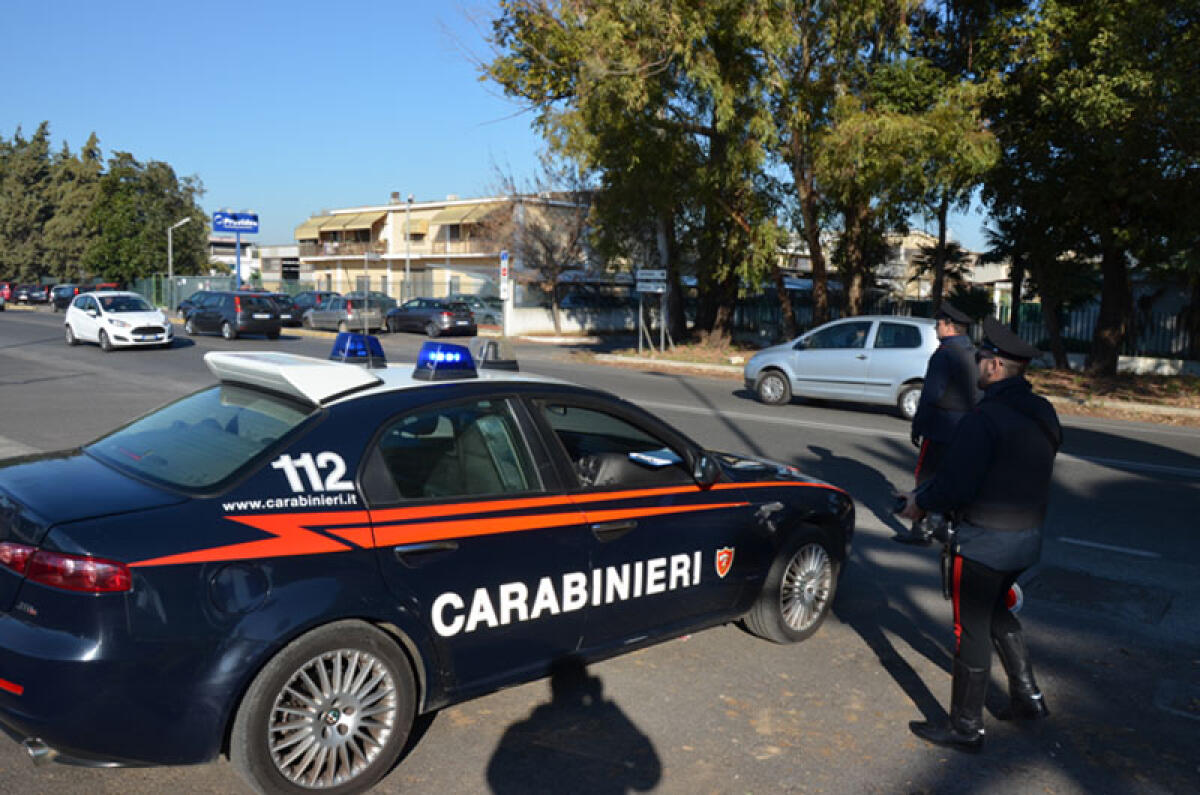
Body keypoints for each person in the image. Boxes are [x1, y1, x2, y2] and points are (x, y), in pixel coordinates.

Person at [898, 316, 1061, 752]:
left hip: (984, 543)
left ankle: (966, 728)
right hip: (1026, 540)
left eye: (983, 358)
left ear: (995, 367)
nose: (978, 364)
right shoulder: (1043, 411)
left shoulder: (983, 419)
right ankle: (1028, 698)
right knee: (996, 614)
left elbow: (956, 484)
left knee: (968, 630)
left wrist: (921, 502)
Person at [895, 303, 980, 545]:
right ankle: (947, 527)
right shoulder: (973, 352)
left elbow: (931, 395)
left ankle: (920, 528)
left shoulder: (944, 354)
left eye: (939, 324)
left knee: (925, 477)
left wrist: (917, 426)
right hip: (964, 428)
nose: (935, 328)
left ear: (949, 327)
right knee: (953, 477)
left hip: (940, 427)